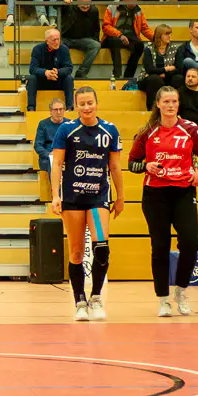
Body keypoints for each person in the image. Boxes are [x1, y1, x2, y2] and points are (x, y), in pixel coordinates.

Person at [128, 86, 198, 317]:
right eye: (166, 101)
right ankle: (163, 298)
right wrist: (146, 166)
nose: (171, 105)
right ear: (158, 104)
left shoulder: (190, 129)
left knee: (191, 243)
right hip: (155, 195)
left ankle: (181, 291)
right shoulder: (147, 132)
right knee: (160, 247)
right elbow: (132, 163)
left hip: (183, 192)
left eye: (174, 101)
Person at [49, 86, 123, 321]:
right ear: (76, 106)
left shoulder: (109, 130)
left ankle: (97, 297)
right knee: (77, 252)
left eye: (90, 102)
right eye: (81, 104)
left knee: (102, 247)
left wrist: (120, 196)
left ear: (97, 103)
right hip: (72, 199)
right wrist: (55, 195)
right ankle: (80, 301)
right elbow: (57, 164)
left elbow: (115, 167)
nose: (86, 107)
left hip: (98, 198)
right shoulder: (67, 130)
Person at [102, 0, 152, 83]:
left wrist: (156, 38)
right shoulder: (112, 7)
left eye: (135, 1)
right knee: (115, 40)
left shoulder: (138, 10)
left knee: (140, 45)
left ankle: (128, 76)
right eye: (131, 1)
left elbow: (144, 28)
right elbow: (106, 26)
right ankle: (117, 73)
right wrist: (119, 35)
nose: (134, 4)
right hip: (113, 36)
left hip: (130, 36)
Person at [26, 27, 74, 112]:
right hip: (42, 81)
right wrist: (45, 72)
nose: (57, 42)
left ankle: (70, 108)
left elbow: (69, 68)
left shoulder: (64, 49)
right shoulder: (37, 49)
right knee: (32, 78)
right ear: (47, 41)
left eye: (58, 39)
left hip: (57, 80)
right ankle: (31, 108)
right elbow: (32, 69)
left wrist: (57, 72)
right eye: (54, 40)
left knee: (69, 78)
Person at [60, 0, 102, 79]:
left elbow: (96, 27)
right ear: (77, 1)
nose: (86, 6)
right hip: (65, 38)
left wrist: (96, 39)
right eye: (83, 3)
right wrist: (63, 0)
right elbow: (55, 5)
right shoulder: (70, 6)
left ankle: (81, 73)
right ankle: (63, 72)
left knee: (96, 45)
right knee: (57, 44)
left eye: (88, 4)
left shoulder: (94, 10)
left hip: (83, 39)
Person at [138, 24, 180, 109]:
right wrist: (166, 69)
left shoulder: (174, 48)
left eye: (170, 34)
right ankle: (153, 110)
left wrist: (164, 74)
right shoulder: (149, 49)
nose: (169, 36)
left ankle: (177, 109)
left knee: (179, 78)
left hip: (167, 77)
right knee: (154, 79)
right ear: (159, 36)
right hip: (148, 79)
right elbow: (149, 70)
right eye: (166, 34)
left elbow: (179, 68)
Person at [33, 100, 68, 175]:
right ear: (50, 111)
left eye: (61, 109)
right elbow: (38, 145)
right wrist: (49, 154)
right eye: (56, 110)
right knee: (52, 163)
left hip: (65, 154)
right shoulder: (43, 124)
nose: (58, 112)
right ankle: (55, 187)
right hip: (48, 156)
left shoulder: (69, 124)